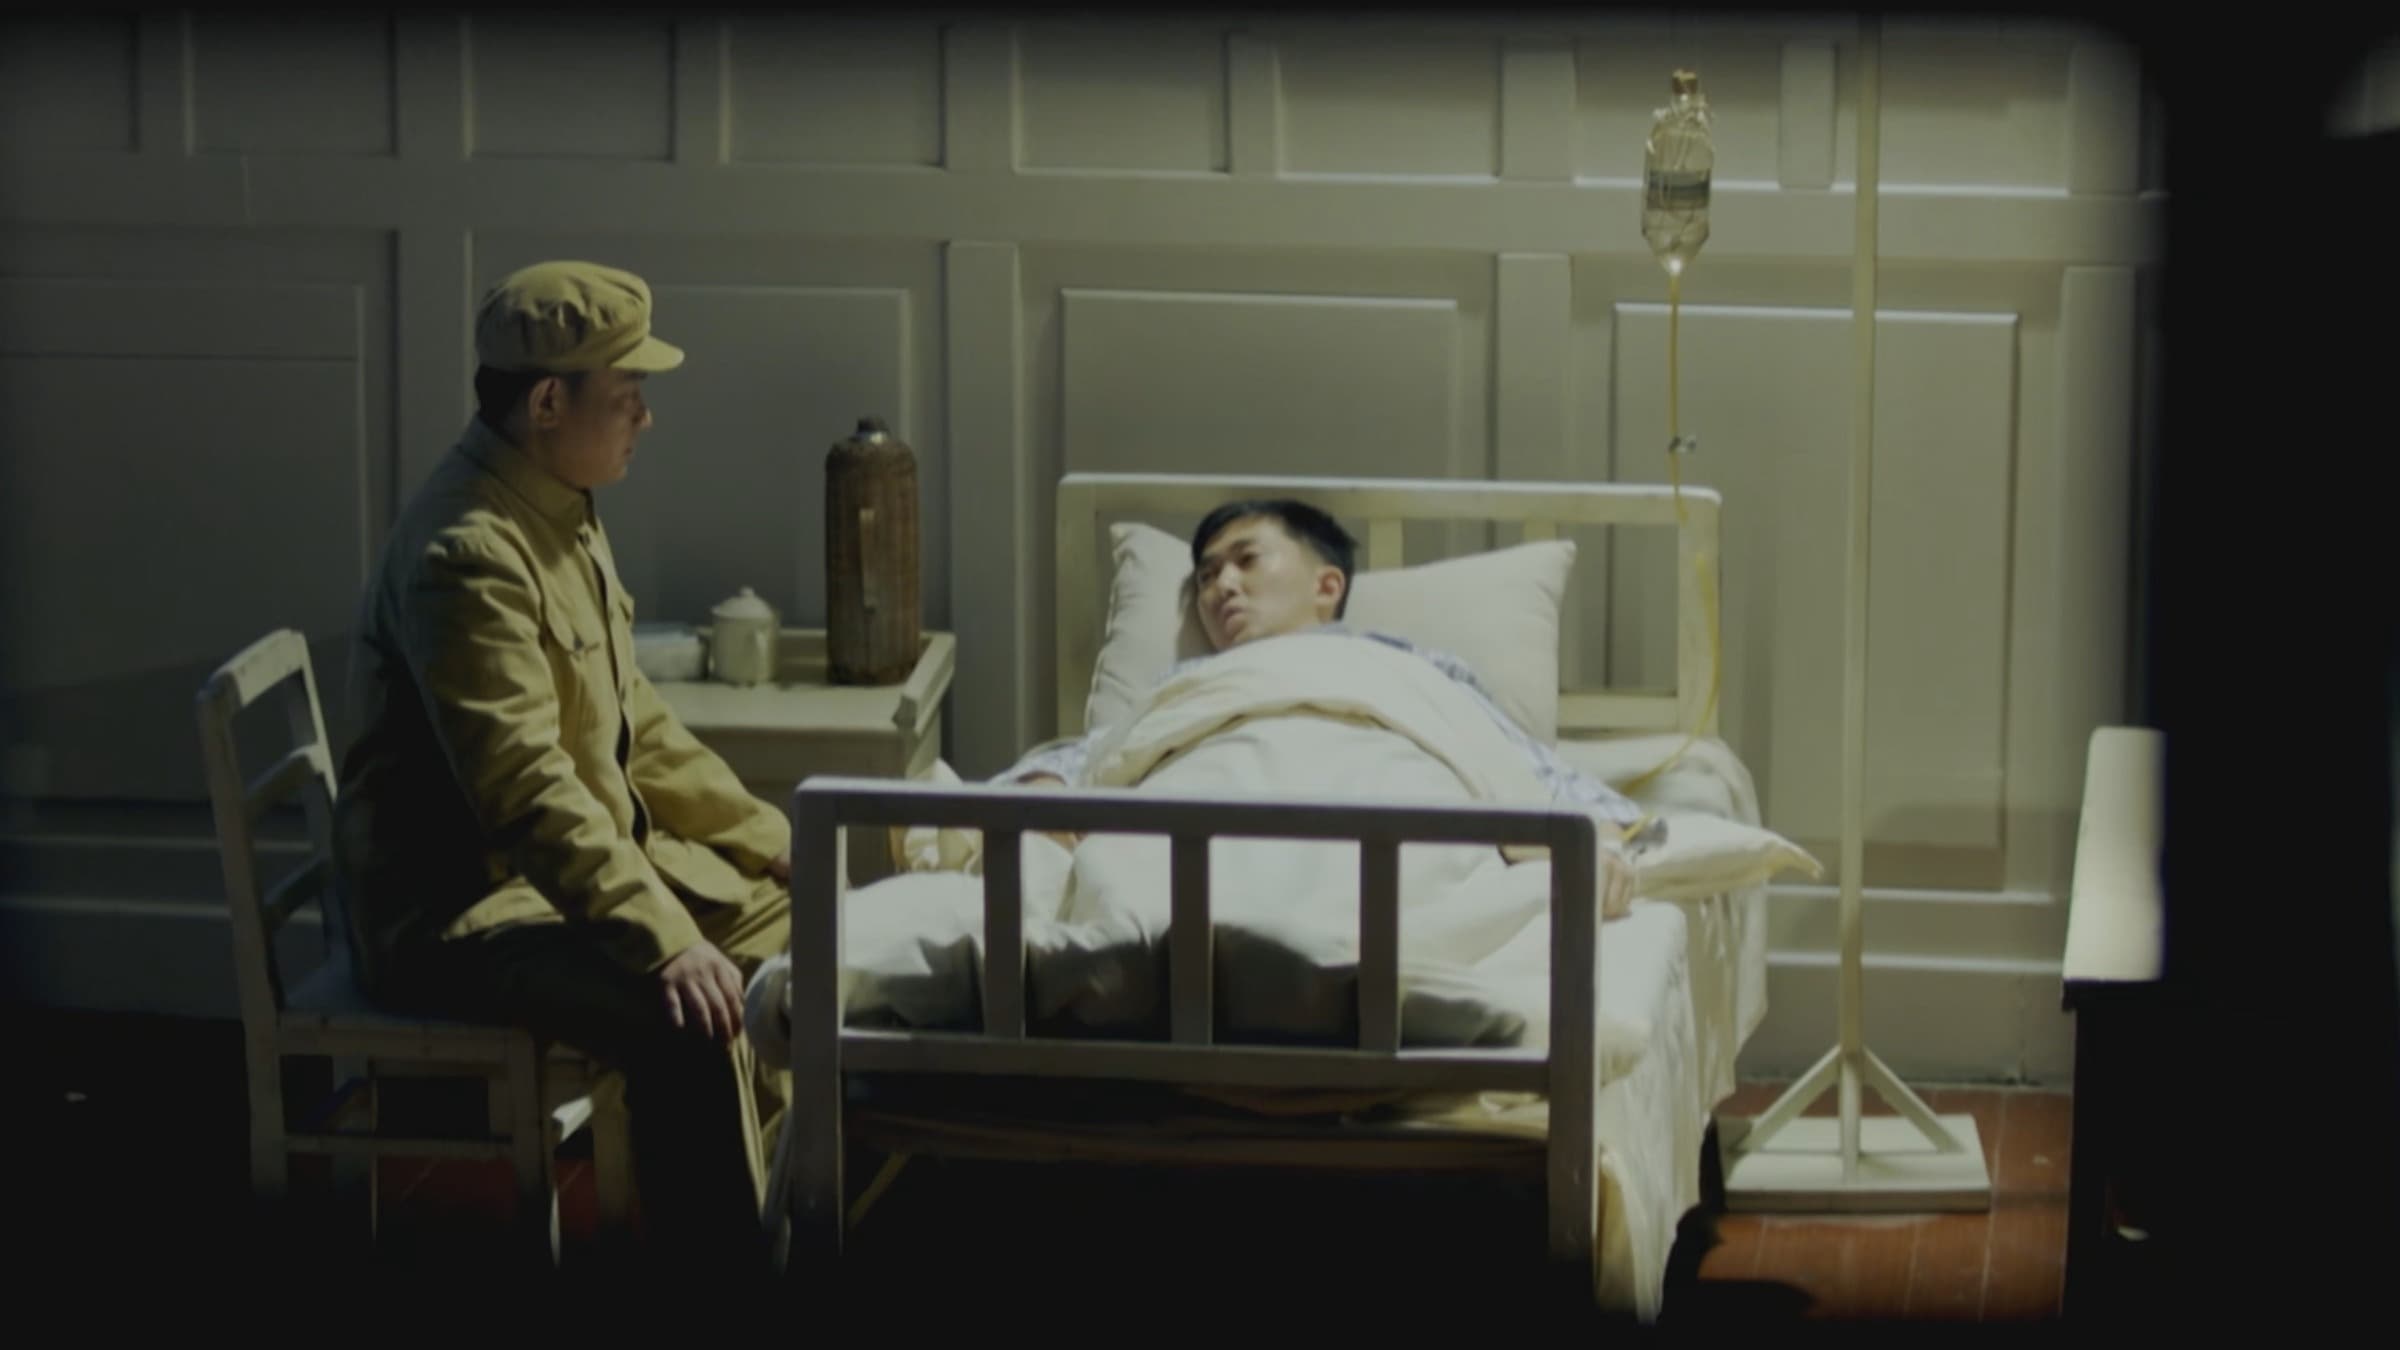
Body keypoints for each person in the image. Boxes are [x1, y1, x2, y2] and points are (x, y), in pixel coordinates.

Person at [331, 260, 792, 1270]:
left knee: (798, 934)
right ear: (548, 403)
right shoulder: (468, 553)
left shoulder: (555, 502)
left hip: (549, 878)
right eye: (627, 393)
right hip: (460, 911)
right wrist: (666, 943)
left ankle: (779, 1209)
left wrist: (769, 841)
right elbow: (527, 792)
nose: (645, 417)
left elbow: (637, 724)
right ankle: (721, 1275)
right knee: (689, 1017)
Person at [999, 498, 1657, 845]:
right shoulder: (1186, 690)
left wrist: (1595, 832)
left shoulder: (1411, 669)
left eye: (1246, 560)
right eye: (1205, 576)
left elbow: (1510, 762)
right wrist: (1042, 783)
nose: (1220, 586)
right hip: (1198, 833)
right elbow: (1101, 754)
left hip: (1384, 831)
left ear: (1327, 585)